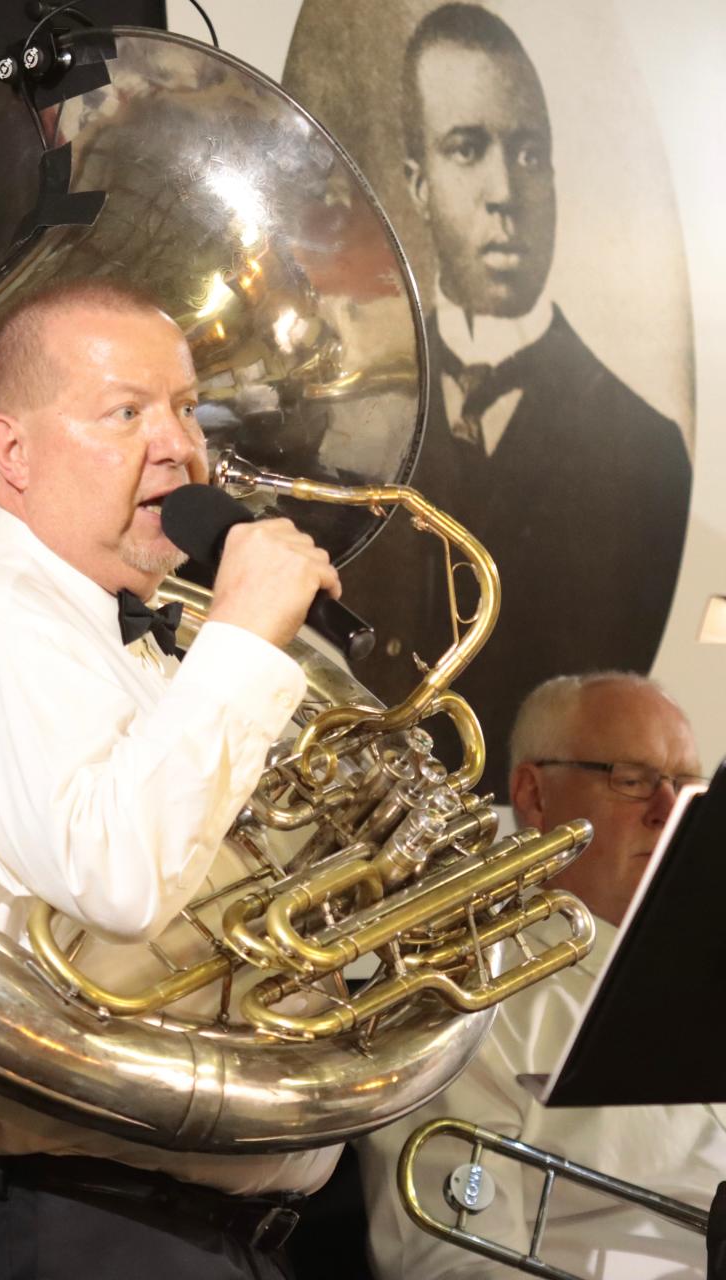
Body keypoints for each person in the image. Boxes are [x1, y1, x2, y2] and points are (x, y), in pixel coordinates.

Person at [0, 277, 347, 1280]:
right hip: (59, 1225)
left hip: (183, 1233)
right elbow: (118, 877)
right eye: (126, 412)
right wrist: (248, 641)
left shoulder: (163, 645)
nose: (179, 444)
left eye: (185, 408)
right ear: (14, 453)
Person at [340, 2, 692, 800]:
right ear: (419, 183)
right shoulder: (343, 419)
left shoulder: (648, 450)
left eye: (529, 153)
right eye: (469, 149)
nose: (506, 190)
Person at [359, 671, 726, 1280]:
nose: (668, 811)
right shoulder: (455, 995)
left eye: (686, 785)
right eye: (631, 781)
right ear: (533, 794)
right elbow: (453, 1263)